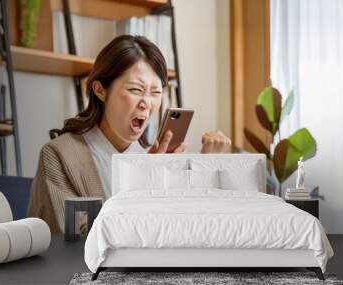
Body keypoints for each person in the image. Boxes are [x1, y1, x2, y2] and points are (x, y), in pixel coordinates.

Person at [27, 35, 231, 233]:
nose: (147, 103)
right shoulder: (58, 156)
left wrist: (206, 169)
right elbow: (78, 241)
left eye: (156, 93)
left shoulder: (151, 159)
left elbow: (182, 231)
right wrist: (145, 185)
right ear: (100, 90)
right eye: (135, 89)